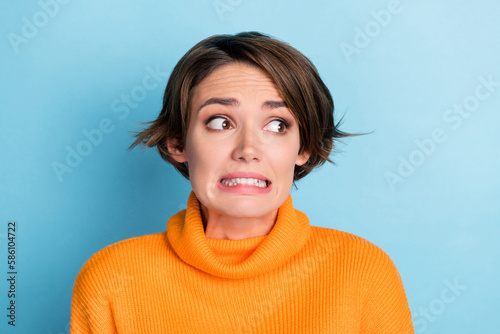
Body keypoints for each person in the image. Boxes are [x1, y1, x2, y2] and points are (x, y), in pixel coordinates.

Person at [70, 32, 414, 333]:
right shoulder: (111, 278)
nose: (248, 150)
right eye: (220, 122)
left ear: (304, 147)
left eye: (277, 125)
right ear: (178, 142)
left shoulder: (363, 271)